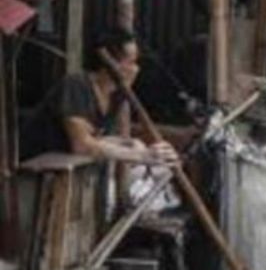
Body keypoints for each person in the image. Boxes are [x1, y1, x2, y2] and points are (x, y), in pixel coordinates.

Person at [20, 30, 178, 167]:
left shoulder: (116, 95)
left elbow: (98, 139)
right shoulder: (77, 85)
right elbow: (82, 145)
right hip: (32, 172)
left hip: (67, 172)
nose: (136, 69)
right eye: (130, 62)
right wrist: (141, 156)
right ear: (109, 63)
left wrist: (131, 144)